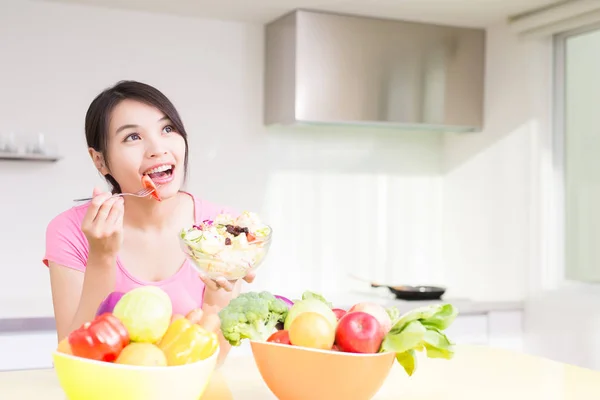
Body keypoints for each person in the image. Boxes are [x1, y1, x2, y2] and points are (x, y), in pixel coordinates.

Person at [43, 80, 254, 364]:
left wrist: (217, 299)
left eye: (167, 129)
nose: (157, 148)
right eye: (132, 137)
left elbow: (212, 364)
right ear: (100, 161)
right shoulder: (70, 232)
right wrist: (102, 256)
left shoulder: (221, 229)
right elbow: (73, 357)